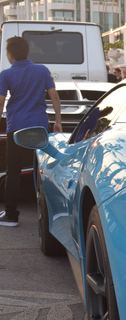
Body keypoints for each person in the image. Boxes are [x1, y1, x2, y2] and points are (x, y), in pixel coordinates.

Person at [0, 36, 62, 227]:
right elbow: (54, 96)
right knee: (45, 167)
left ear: (10, 54)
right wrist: (58, 121)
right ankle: (55, 213)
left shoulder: (6, 74)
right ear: (27, 52)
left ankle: (11, 215)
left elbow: (1, 101)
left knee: (14, 171)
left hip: (17, 128)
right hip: (39, 126)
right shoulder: (42, 70)